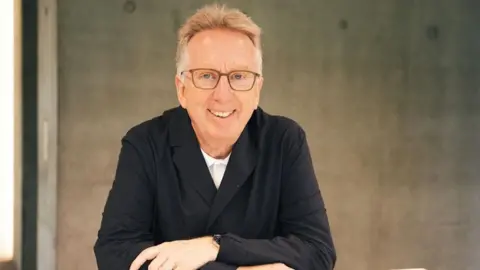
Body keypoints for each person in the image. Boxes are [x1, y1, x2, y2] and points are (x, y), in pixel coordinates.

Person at [94, 4, 336, 270]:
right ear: (181, 89)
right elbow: (115, 252)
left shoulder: (284, 141)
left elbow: (318, 251)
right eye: (207, 76)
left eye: (239, 76)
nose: (223, 94)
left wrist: (214, 246)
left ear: (257, 90)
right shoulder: (145, 144)